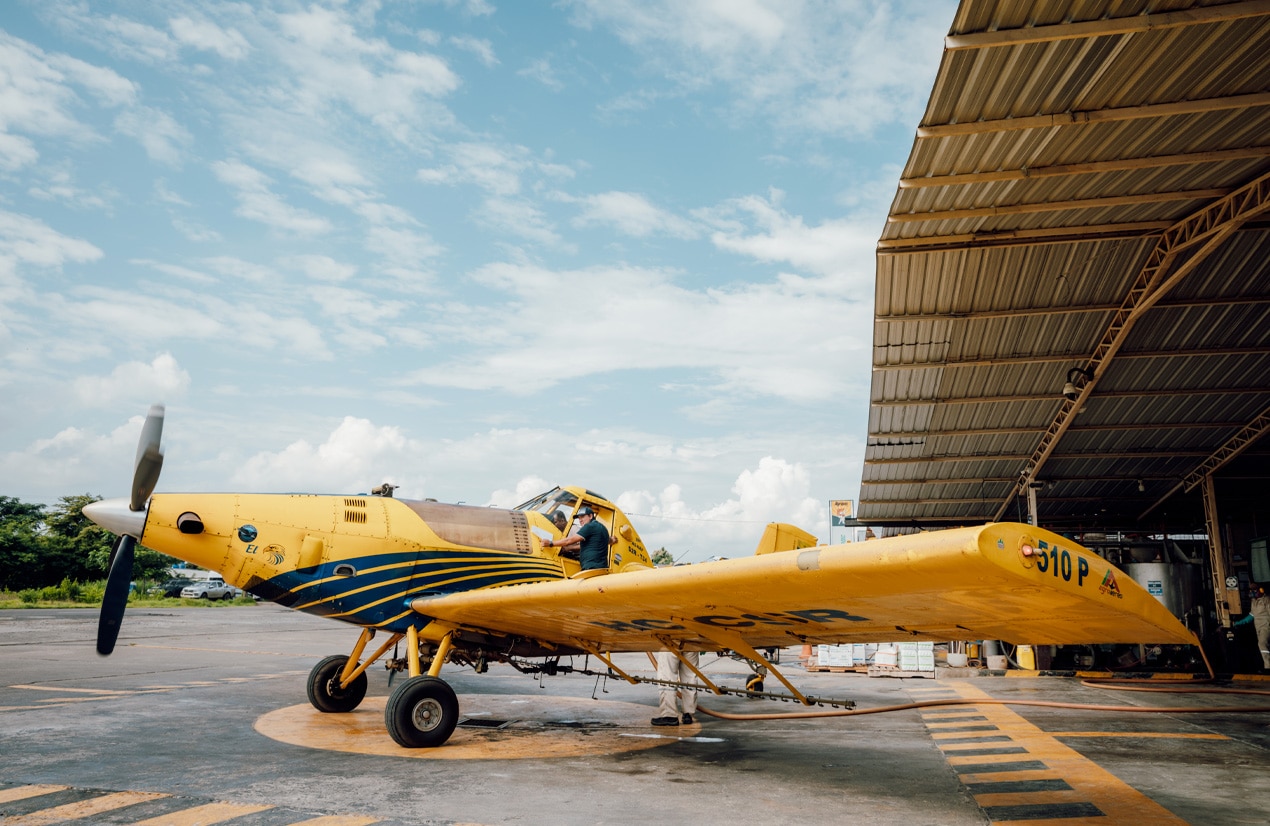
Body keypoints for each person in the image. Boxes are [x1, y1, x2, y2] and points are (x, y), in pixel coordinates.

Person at [542, 506, 610, 570]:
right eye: (579, 518)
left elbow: (569, 540)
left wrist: (551, 543)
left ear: (590, 516)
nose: (580, 520)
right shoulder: (602, 528)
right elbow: (605, 540)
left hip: (591, 567)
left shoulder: (589, 526)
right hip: (602, 566)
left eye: (582, 517)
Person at [651, 649, 698, 726]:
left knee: (667, 675)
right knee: (689, 676)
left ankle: (669, 715)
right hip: (693, 644)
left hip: (669, 644)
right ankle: (688, 714)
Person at [1234, 583, 1270, 670]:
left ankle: (1268, 667)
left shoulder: (1267, 600)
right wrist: (1239, 622)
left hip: (1266, 626)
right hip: (1258, 627)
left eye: (1254, 590)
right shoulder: (1254, 601)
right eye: (1250, 590)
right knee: (1263, 645)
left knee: (1262, 644)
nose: (1252, 592)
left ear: (1260, 590)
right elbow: (1252, 615)